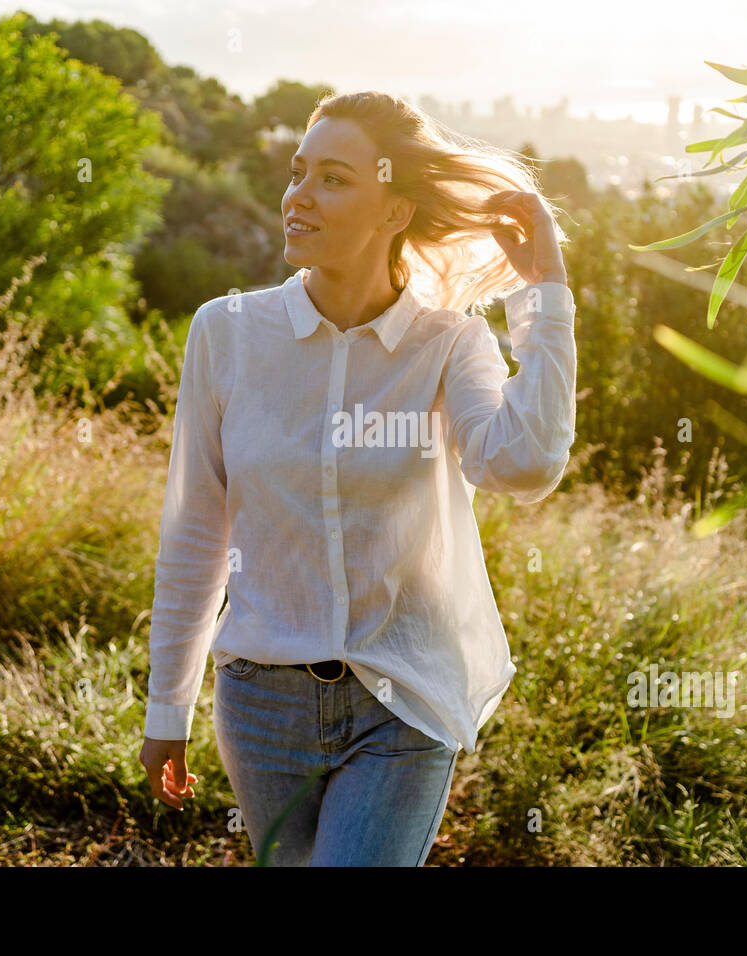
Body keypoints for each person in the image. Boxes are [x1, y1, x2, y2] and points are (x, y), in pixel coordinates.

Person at [138, 90, 576, 866]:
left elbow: (525, 463)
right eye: (298, 173)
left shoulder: (449, 345)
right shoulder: (227, 333)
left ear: (395, 211)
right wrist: (166, 705)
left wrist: (544, 293)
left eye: (333, 179)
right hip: (261, 705)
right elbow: (197, 530)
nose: (298, 196)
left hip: (399, 701)